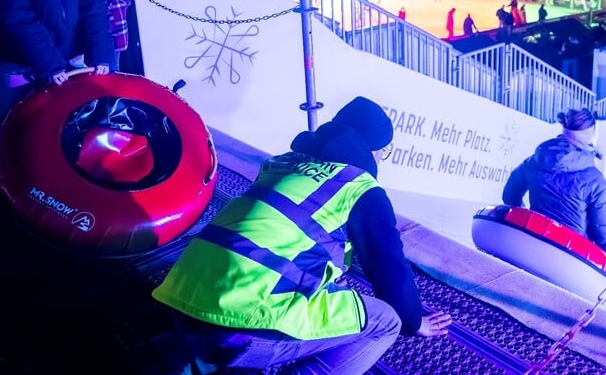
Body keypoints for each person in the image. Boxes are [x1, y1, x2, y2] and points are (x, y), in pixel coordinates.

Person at [152, 96, 452, 373]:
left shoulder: (280, 164)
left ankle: (199, 356)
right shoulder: (360, 188)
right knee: (386, 321)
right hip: (236, 322)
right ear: (372, 151)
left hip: (180, 296)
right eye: (382, 154)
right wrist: (413, 320)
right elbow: (388, 265)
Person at [502, 108, 606, 263]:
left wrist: (526, 218)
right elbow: (604, 233)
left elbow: (510, 194)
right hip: (571, 259)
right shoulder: (594, 180)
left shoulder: (536, 160)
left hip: (534, 245)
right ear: (590, 135)